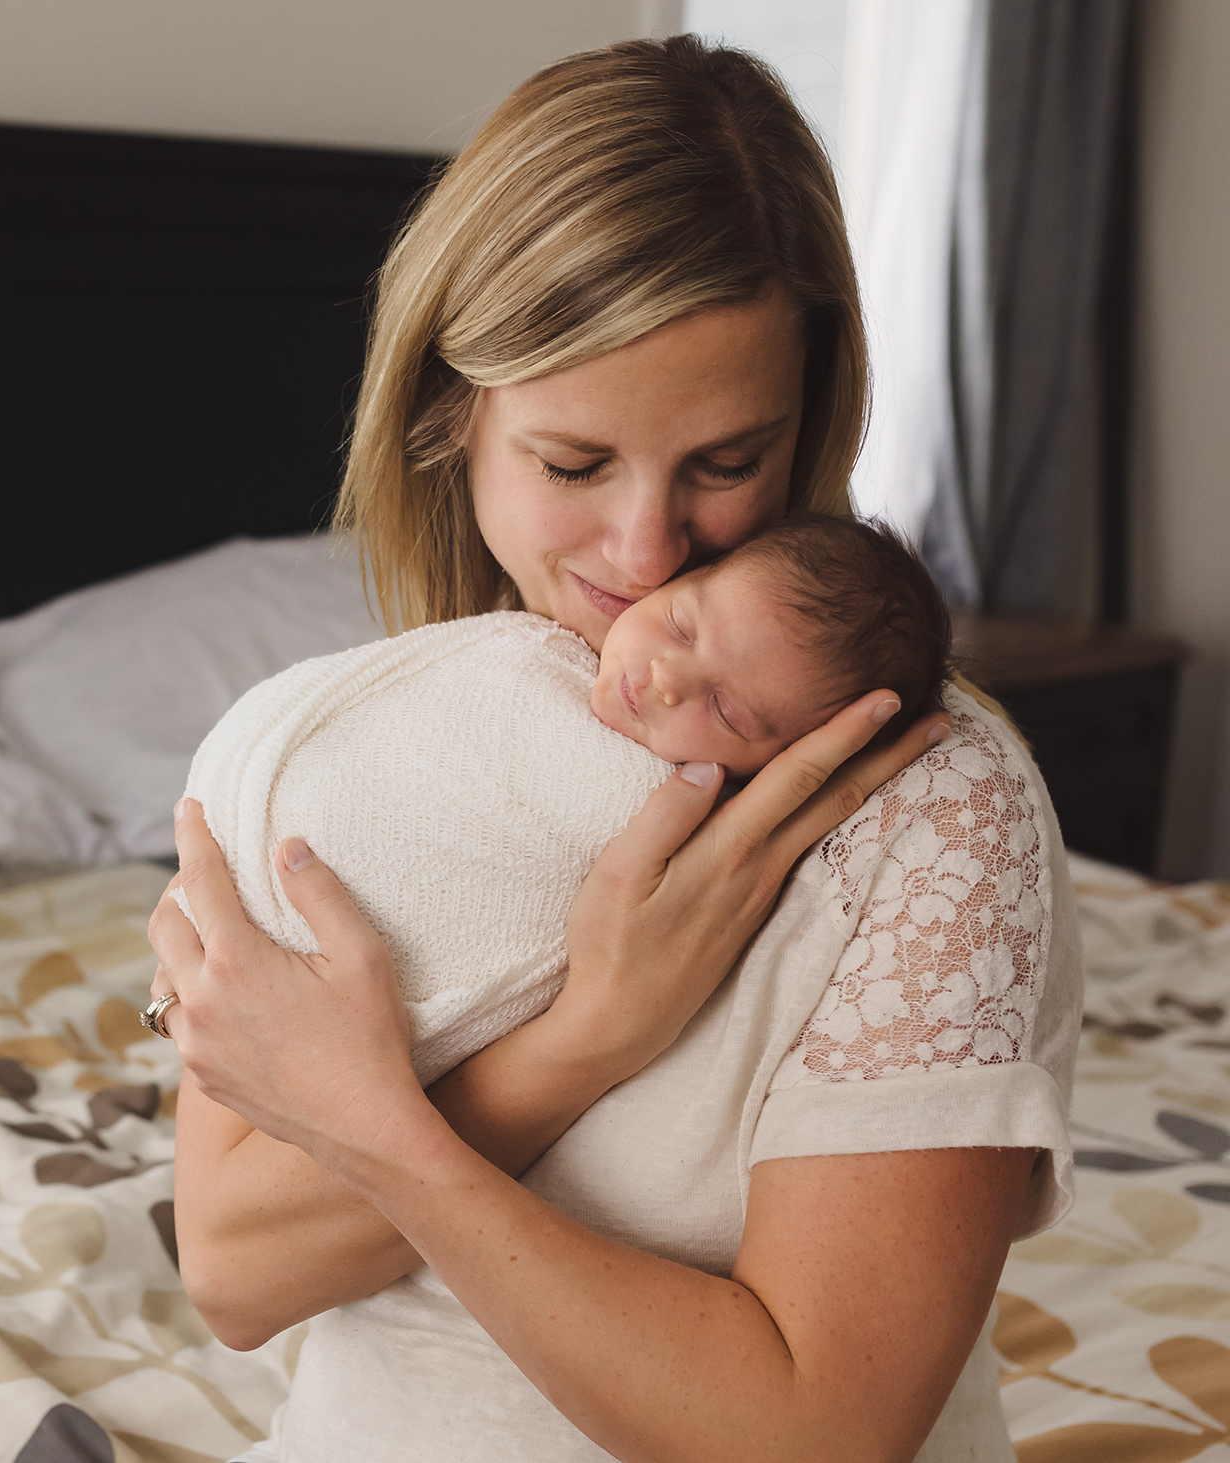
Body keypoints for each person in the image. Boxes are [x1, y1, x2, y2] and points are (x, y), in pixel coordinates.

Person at [142, 35, 1081, 1463]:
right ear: (450, 420)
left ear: (806, 420)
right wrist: (589, 1032)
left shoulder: (927, 795)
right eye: (576, 464)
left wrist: (384, 1132)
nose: (648, 553)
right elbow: (233, 1272)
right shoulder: (357, 754)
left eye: (725, 461)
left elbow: (815, 1432)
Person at [168, 514, 950, 1088]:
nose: (668, 678)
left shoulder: (679, 828)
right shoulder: (521, 653)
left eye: (729, 713)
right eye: (681, 622)